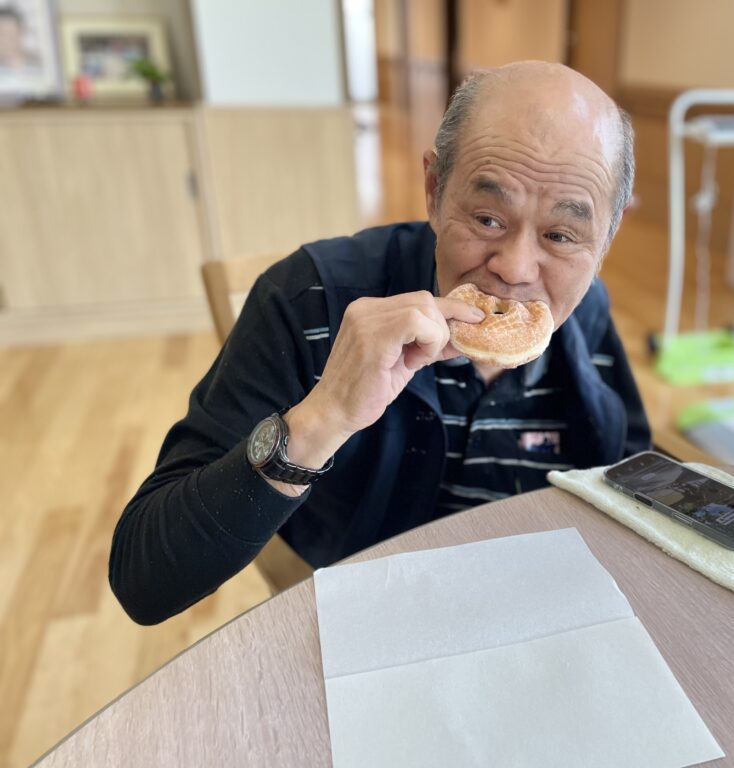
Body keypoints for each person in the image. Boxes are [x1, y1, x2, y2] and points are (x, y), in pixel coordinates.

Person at [110, 61, 651, 625]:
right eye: (488, 218)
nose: (514, 270)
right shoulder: (309, 299)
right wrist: (324, 417)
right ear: (435, 190)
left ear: (606, 239)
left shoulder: (585, 312)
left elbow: (633, 484)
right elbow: (143, 581)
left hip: (536, 607)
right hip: (366, 614)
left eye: (560, 235)